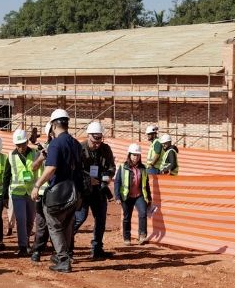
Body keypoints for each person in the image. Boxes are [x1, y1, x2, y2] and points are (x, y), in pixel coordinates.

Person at [31, 109, 82, 273]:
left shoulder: (55, 143)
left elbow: (51, 168)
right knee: (67, 225)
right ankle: (63, 255)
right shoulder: (75, 143)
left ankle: (63, 259)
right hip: (74, 192)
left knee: (53, 224)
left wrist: (37, 185)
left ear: (53, 125)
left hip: (59, 192)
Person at [73, 121, 116, 260]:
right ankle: (64, 246)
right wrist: (88, 180)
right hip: (84, 190)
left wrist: (108, 175)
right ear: (88, 136)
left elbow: (111, 166)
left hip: (99, 190)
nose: (97, 144)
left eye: (99, 140)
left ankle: (97, 249)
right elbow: (74, 171)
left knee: (101, 219)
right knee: (79, 217)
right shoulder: (79, 149)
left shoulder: (105, 149)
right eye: (94, 140)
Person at [8, 129, 39, 257]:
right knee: (21, 219)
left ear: (27, 142)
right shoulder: (10, 155)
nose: (21, 147)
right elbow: (6, 175)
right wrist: (5, 196)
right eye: (18, 145)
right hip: (17, 193)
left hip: (31, 192)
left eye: (23, 144)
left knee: (30, 220)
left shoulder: (35, 153)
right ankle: (22, 246)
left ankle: (26, 241)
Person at [114, 143, 152, 245]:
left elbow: (146, 184)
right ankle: (127, 238)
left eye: (138, 155)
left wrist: (149, 198)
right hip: (126, 196)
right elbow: (117, 181)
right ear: (129, 155)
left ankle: (142, 235)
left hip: (139, 196)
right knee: (127, 217)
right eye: (134, 155)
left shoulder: (143, 168)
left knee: (143, 213)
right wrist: (117, 196)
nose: (136, 157)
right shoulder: (123, 167)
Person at [30, 122, 53, 263]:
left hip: (58, 192)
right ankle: (37, 250)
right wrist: (41, 158)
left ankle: (60, 252)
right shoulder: (43, 149)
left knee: (57, 224)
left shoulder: (61, 147)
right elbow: (33, 167)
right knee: (41, 224)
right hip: (43, 193)